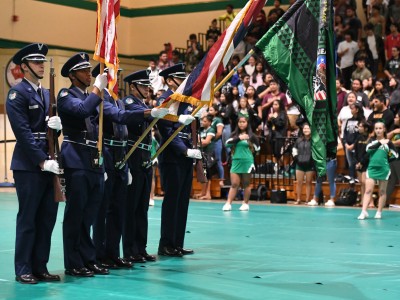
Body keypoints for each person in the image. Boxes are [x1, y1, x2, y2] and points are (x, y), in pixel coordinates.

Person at [90, 64, 156, 270]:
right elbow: (120, 118)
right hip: (107, 153)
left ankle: (112, 253)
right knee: (103, 210)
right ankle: (99, 254)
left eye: (117, 74)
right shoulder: (101, 98)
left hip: (120, 156)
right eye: (111, 74)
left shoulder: (116, 99)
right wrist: (149, 112)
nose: (115, 78)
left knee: (118, 208)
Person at [7, 43, 62, 284]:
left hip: (49, 161)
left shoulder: (47, 93)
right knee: (28, 218)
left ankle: (40, 266)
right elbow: (23, 133)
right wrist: (41, 161)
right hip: (29, 165)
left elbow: (49, 133)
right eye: (36, 61)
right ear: (24, 67)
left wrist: (58, 129)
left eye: (42, 61)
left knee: (47, 217)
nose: (41, 65)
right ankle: (23, 269)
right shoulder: (16, 94)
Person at [120, 69, 168, 264]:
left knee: (142, 207)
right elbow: (132, 115)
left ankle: (141, 248)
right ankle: (130, 249)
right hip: (133, 157)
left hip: (145, 157)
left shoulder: (145, 104)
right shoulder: (129, 102)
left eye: (147, 85)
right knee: (131, 207)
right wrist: (150, 112)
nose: (147, 89)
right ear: (133, 87)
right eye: (142, 85)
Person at [156, 63, 199, 257]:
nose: (183, 82)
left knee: (183, 201)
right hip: (172, 157)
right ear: (170, 80)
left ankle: (177, 243)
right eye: (179, 79)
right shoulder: (166, 100)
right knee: (172, 201)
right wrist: (184, 151)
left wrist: (192, 150)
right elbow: (166, 131)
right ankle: (166, 244)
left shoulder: (183, 101)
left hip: (185, 157)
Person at [358, 121, 398, 219]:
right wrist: (380, 142)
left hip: (384, 170)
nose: (378, 130)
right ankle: (363, 212)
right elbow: (368, 150)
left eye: (380, 128)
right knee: (368, 190)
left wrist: (386, 161)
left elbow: (396, 155)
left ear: (384, 129)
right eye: (376, 128)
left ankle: (379, 212)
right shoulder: (371, 141)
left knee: (382, 191)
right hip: (371, 169)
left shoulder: (389, 143)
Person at [222, 116, 260, 211]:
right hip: (236, 162)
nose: (241, 124)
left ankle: (245, 203)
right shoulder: (234, 135)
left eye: (243, 122)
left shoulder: (252, 136)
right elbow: (227, 143)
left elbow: (258, 149)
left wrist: (251, 148)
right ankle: (228, 203)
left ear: (247, 123)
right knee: (234, 184)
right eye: (240, 122)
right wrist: (239, 138)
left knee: (246, 184)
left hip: (247, 162)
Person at [292, 123, 314, 205]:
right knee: (299, 182)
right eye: (305, 128)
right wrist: (296, 158)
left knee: (309, 182)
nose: (306, 130)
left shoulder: (314, 140)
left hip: (310, 164)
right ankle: (298, 199)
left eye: (308, 128)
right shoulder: (298, 140)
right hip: (299, 163)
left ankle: (307, 200)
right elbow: (294, 149)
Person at [354, 120, 372, 206]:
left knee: (365, 182)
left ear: (366, 128)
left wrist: (361, 162)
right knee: (361, 183)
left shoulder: (370, 139)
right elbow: (356, 151)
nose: (359, 128)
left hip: (366, 163)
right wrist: (357, 162)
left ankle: (370, 202)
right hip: (359, 163)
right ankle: (362, 201)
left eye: (361, 126)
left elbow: (368, 153)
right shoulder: (358, 138)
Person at [386, 111, 400, 204]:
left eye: (397, 117)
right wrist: (394, 131)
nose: (394, 119)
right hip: (393, 157)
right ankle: (384, 202)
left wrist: (390, 143)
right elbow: (385, 138)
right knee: (392, 180)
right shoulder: (395, 129)